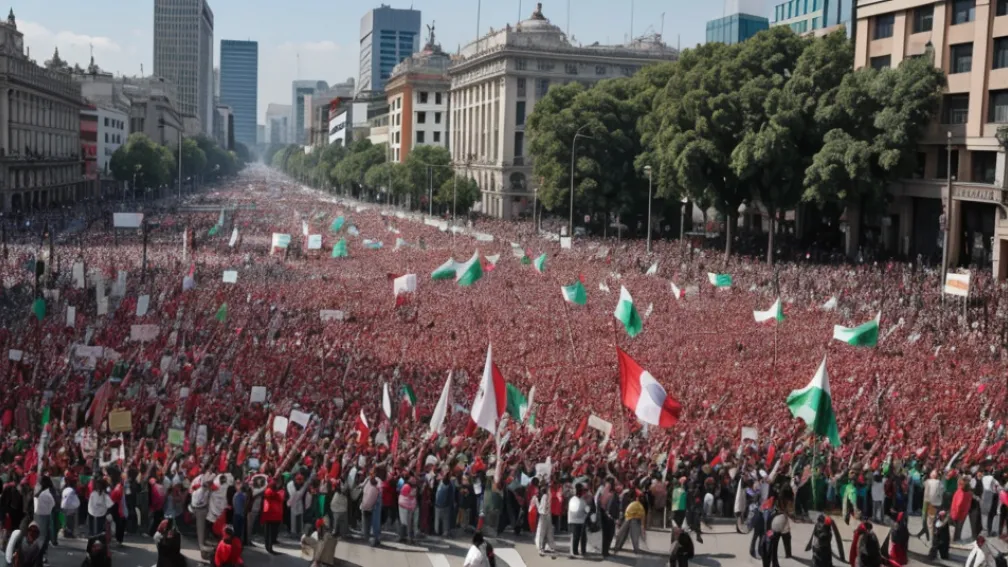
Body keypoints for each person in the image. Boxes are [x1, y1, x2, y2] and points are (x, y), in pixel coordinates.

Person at [261, 476, 285, 555]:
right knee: (270, 533)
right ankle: (269, 548)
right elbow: (280, 498)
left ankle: (269, 547)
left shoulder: (269, 491)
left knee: (269, 532)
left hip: (270, 514)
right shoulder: (272, 492)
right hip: (271, 514)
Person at [566, 484, 588, 558]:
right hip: (576, 521)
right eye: (582, 490)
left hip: (576, 521)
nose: (583, 492)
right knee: (576, 537)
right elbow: (580, 511)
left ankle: (576, 551)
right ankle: (574, 552)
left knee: (577, 537)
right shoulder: (578, 500)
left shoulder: (579, 499)